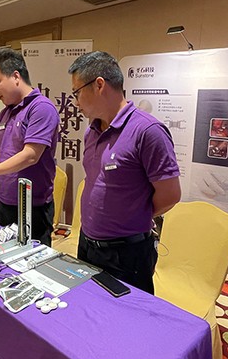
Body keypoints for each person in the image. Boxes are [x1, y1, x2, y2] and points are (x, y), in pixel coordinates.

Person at [68, 51, 181, 294]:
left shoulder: (148, 131)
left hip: (126, 252)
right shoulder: (91, 131)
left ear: (99, 85)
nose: (75, 101)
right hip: (88, 242)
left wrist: (132, 215)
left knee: (128, 314)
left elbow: (170, 194)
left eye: (77, 92)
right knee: (89, 307)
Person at [0, 48, 60, 246]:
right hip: (6, 201)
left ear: (16, 76)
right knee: (6, 255)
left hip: (32, 206)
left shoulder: (41, 108)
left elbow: (30, 155)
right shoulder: (5, 113)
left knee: (32, 259)